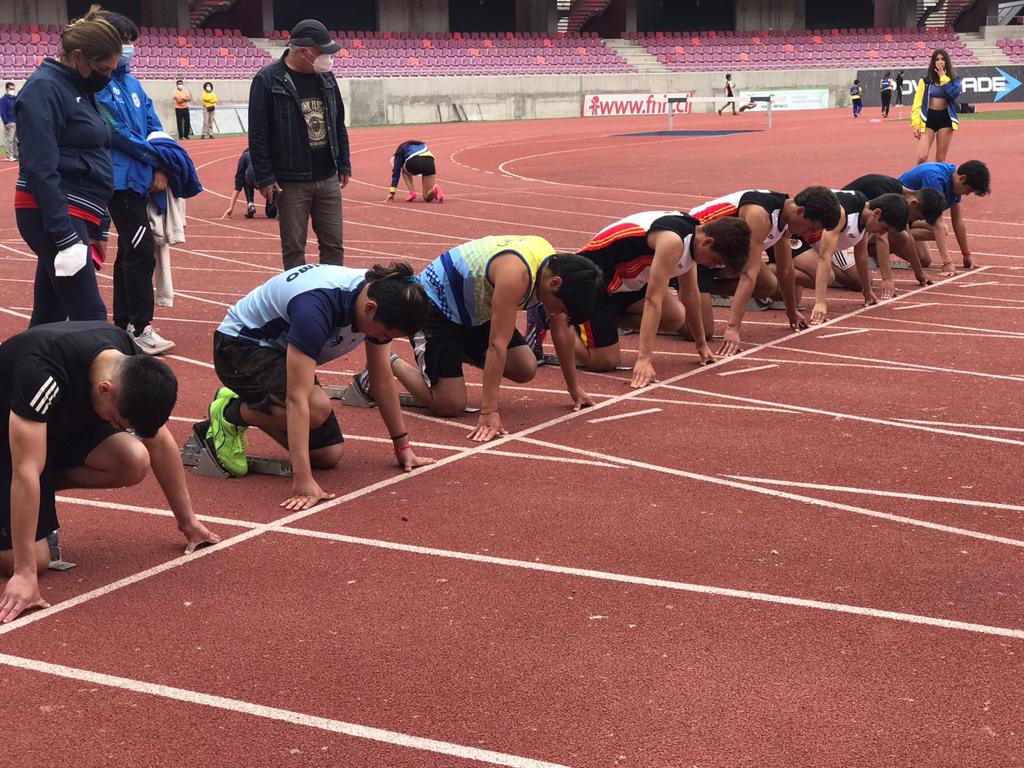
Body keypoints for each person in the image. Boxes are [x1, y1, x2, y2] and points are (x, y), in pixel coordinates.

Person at [0, 321, 220, 624]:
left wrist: (188, 522)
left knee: (133, 458)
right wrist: (24, 575)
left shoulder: (126, 355)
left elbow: (160, 441)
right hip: (9, 442)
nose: (119, 428)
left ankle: (38, 496)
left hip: (54, 431)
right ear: (106, 388)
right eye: (118, 421)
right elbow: (26, 470)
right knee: (34, 562)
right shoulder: (41, 371)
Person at [205, 263, 434, 510]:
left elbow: (381, 378)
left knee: (328, 454)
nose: (382, 339)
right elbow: (297, 399)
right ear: (369, 309)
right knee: (315, 406)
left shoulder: (383, 298)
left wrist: (402, 446)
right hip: (240, 348)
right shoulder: (315, 307)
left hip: (282, 353)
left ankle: (253, 404)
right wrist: (302, 480)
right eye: (383, 333)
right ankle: (229, 414)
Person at [385, 237, 604, 441]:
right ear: (554, 283)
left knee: (525, 367)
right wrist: (489, 411)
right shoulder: (516, 274)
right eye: (560, 307)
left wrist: (574, 388)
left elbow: (562, 332)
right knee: (449, 404)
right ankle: (385, 363)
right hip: (435, 307)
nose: (556, 313)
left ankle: (448, 360)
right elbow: (496, 344)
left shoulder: (554, 269)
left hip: (474, 312)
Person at [14, 7, 119, 328]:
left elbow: (97, 153)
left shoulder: (78, 88)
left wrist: (99, 225)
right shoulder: (44, 89)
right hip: (54, 214)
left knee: (51, 317)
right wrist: (64, 236)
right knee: (91, 317)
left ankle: (21, 378)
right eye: (103, 68)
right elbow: (40, 168)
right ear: (77, 57)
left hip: (78, 213)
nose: (108, 77)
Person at [570, 212, 751, 388]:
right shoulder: (672, 241)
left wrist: (701, 344)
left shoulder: (694, 236)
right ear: (708, 241)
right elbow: (652, 301)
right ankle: (563, 322)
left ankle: (605, 321)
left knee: (676, 317)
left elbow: (690, 294)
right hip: (596, 286)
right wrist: (644, 359)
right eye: (715, 260)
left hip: (629, 282)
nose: (712, 267)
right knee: (604, 362)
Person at [95, 10, 174, 356]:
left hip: (141, 179)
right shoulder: (99, 87)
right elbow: (118, 134)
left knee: (130, 250)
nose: (129, 49)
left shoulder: (134, 84)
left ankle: (123, 324)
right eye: (123, 43)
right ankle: (141, 328)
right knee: (141, 252)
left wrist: (163, 164)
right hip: (119, 182)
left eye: (131, 43)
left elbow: (154, 127)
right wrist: (157, 159)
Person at [248, 19, 351, 271]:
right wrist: (264, 177)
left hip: (327, 177)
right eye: (323, 52)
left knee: (333, 245)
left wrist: (344, 163)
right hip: (290, 182)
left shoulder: (327, 77)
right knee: (294, 249)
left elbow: (338, 122)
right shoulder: (267, 80)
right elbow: (258, 134)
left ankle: (332, 296)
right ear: (304, 51)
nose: (328, 58)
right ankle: (299, 302)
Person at [689, 186, 842, 353]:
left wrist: (792, 310)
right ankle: (675, 302)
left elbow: (785, 270)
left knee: (768, 284)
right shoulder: (759, 215)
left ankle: (705, 291)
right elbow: (748, 274)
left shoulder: (785, 217)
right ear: (800, 211)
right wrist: (733, 328)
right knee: (703, 331)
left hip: (721, 257)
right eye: (810, 228)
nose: (807, 234)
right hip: (697, 253)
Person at [790, 193, 910, 310]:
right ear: (877, 213)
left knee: (857, 280)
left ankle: (786, 269)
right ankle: (776, 269)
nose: (881, 234)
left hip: (811, 240)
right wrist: (820, 302)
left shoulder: (865, 215)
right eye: (884, 229)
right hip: (793, 234)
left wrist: (867, 290)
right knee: (826, 277)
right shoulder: (843, 214)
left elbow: (862, 255)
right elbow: (825, 256)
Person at [841, 173, 946, 297]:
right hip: (844, 228)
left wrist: (919, 272)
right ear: (914, 204)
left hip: (862, 230)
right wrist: (887, 279)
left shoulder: (900, 195)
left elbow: (907, 236)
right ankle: (833, 269)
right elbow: (881, 237)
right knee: (860, 281)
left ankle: (864, 260)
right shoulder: (884, 192)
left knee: (911, 246)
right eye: (918, 217)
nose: (916, 221)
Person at [899, 160, 990, 275]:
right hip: (895, 215)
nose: (967, 194)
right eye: (969, 190)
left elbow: (958, 222)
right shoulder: (935, 179)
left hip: (911, 219)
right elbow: (938, 224)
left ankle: (894, 237)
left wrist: (966, 254)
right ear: (962, 178)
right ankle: (886, 238)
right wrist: (947, 262)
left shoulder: (955, 182)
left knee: (924, 260)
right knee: (941, 229)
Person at [912, 49, 961, 165]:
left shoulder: (954, 80)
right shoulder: (925, 81)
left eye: (943, 59)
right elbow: (917, 102)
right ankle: (915, 182)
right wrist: (916, 124)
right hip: (928, 119)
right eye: (937, 59)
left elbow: (953, 94)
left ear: (946, 62)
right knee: (921, 157)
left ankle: (937, 183)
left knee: (940, 160)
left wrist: (944, 78)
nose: (940, 62)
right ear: (933, 62)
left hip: (946, 119)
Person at [222, 148, 278, 219]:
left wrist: (231, 207)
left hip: (259, 176)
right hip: (259, 178)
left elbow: (238, 185)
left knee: (271, 213)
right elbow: (238, 185)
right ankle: (254, 204)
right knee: (245, 181)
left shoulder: (245, 157)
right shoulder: (261, 154)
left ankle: (253, 205)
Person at [1, 81, 17, 162]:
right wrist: (5, 123)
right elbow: (2, 112)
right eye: (11, 89)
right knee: (9, 140)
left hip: (16, 122)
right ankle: (9, 156)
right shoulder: (3, 100)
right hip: (9, 123)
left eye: (13, 89)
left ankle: (15, 154)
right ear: (6, 89)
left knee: (15, 140)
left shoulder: (14, 99)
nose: (12, 90)